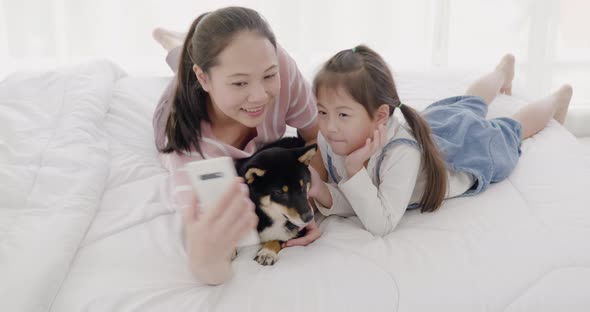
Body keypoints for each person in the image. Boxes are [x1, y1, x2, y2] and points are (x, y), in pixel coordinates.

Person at [308, 45, 573, 236]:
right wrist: (323, 191)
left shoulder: (401, 154)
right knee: (469, 103)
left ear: (380, 116)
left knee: (513, 127)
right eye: (322, 112)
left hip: (461, 154)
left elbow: (381, 221)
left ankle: (556, 98)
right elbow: (357, 199)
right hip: (435, 128)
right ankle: (502, 72)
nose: (329, 126)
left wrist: (354, 169)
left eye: (342, 114)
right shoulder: (332, 137)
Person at [152, 6, 322, 285]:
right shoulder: (188, 150)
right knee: (182, 65)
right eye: (240, 82)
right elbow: (209, 264)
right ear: (203, 78)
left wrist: (307, 203)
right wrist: (205, 258)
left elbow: (315, 137)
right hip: (175, 112)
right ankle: (171, 43)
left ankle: (185, 49)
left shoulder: (278, 64)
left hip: (212, 77)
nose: (259, 96)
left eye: (269, 76)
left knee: (233, 72)